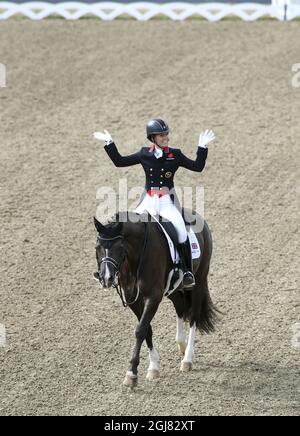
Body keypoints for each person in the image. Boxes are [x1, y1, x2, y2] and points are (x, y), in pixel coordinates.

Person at [94, 118, 215, 288]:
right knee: (127, 228)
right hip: (148, 201)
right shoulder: (144, 154)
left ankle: (186, 271)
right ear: (152, 138)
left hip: (166, 201)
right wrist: (109, 143)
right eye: (161, 135)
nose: (166, 137)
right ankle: (117, 270)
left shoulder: (175, 154)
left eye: (166, 134)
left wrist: (202, 148)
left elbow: (197, 167)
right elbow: (119, 161)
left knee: (181, 231)